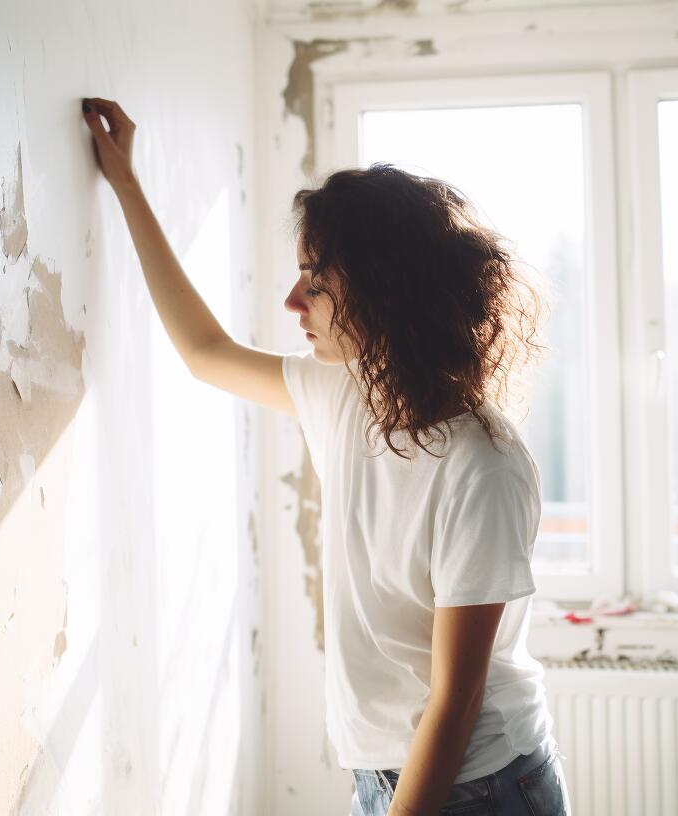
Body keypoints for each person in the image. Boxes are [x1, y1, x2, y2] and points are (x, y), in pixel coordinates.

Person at [82, 96, 571, 816]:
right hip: (382, 777)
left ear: (382, 291)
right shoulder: (342, 394)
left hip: (477, 785)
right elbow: (204, 351)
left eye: (315, 276)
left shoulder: (483, 466)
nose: (291, 300)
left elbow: (456, 698)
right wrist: (125, 181)